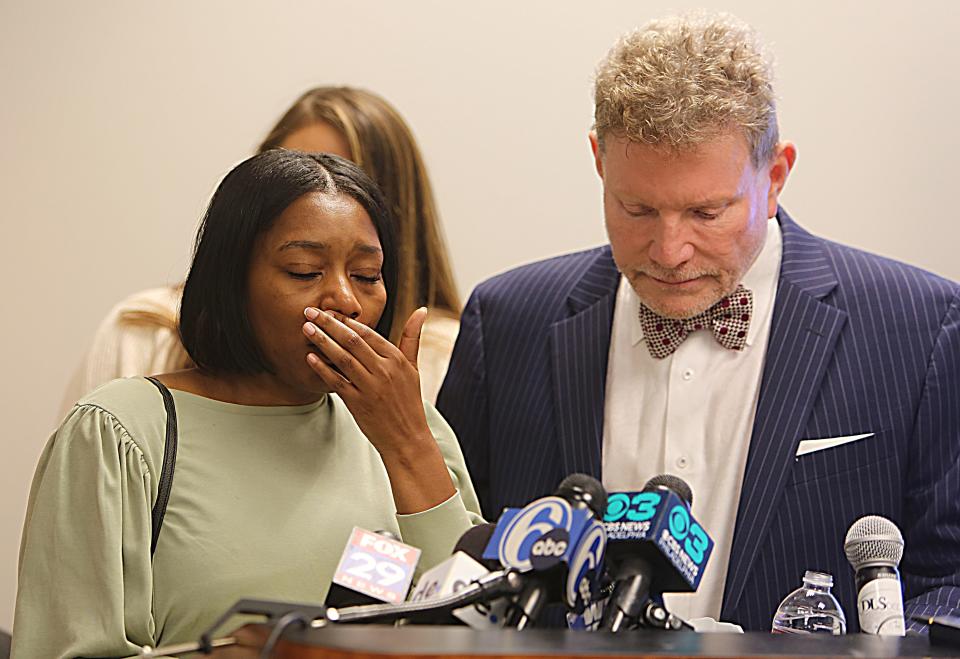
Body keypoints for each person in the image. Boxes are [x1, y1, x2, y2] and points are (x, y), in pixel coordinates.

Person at [436, 12, 960, 632]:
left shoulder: (918, 326)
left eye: (707, 212)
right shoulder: (506, 323)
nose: (669, 250)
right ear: (599, 161)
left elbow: (946, 583)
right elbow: (457, 555)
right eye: (637, 209)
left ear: (775, 177)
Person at [14, 151, 482, 658]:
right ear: (232, 282)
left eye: (367, 276)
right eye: (304, 271)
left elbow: (481, 631)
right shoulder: (121, 432)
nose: (345, 299)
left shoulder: (413, 429)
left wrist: (408, 446)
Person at [60, 86, 461, 413]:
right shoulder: (141, 334)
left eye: (347, 182)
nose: (320, 193)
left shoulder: (444, 355)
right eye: (303, 269)